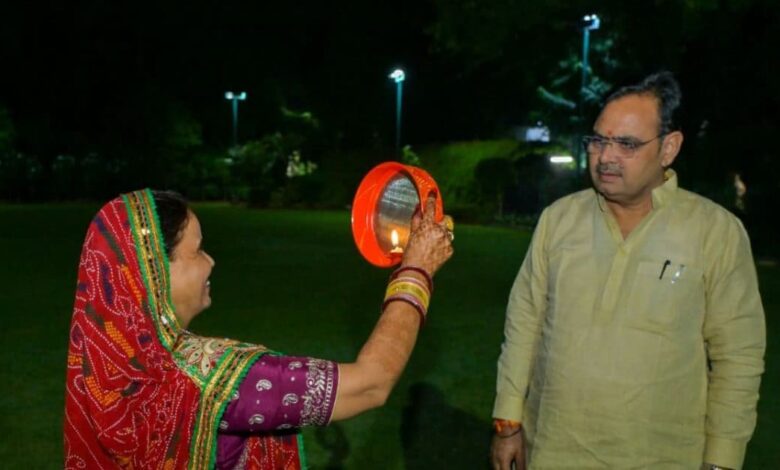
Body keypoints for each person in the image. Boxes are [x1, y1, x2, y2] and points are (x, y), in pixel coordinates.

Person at [490, 72, 765, 470]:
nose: (606, 157)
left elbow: (738, 356)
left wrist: (722, 459)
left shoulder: (715, 232)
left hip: (662, 458)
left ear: (669, 148)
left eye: (627, 144)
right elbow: (523, 323)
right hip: (551, 451)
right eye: (598, 140)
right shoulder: (559, 220)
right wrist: (507, 424)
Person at [64, 188, 453, 469]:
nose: (211, 262)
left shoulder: (105, 376)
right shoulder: (211, 380)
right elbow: (372, 382)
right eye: (197, 250)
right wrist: (416, 270)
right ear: (155, 275)